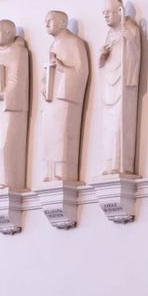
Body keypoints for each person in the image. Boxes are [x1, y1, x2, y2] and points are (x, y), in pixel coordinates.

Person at [40, 11, 90, 184]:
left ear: (62, 22)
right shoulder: (52, 45)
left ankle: (63, 172)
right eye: (45, 21)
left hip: (65, 97)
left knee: (62, 132)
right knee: (50, 134)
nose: (46, 24)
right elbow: (46, 72)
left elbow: (81, 71)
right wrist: (43, 84)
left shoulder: (74, 42)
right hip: (51, 97)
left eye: (50, 21)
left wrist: (61, 67)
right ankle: (51, 171)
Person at [0, 19, 31, 191]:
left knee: (7, 143)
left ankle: (9, 181)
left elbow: (16, 78)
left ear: (10, 33)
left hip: (9, 106)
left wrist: (5, 93)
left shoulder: (18, 52)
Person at [98, 0, 142, 175]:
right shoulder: (109, 34)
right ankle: (108, 164)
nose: (106, 16)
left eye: (108, 12)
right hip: (109, 85)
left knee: (118, 124)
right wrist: (102, 56)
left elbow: (135, 55)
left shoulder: (129, 29)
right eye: (103, 13)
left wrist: (130, 41)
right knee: (108, 126)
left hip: (122, 85)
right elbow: (104, 63)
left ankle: (120, 163)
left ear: (119, 11)